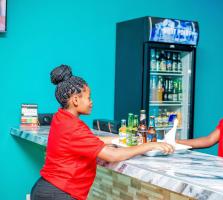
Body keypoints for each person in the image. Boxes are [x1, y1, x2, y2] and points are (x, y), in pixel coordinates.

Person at [31, 64, 174, 200]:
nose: (91, 102)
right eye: (88, 98)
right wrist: (148, 146)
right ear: (75, 100)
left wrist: (115, 139)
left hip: (49, 189)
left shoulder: (62, 117)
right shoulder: (73, 126)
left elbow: (85, 140)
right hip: (58, 194)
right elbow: (112, 156)